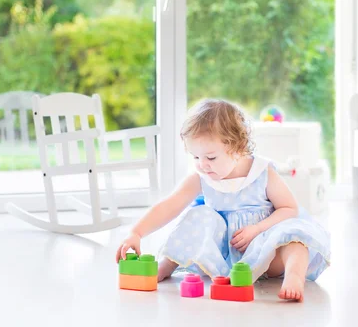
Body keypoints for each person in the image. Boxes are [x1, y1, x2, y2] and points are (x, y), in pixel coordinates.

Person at [115, 99, 330, 301]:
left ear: (237, 149)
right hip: (223, 259)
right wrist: (137, 232)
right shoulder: (201, 177)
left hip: (266, 249)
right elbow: (169, 205)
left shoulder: (261, 172)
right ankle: (168, 264)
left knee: (295, 238)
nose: (202, 165)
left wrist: (257, 229)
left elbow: (289, 208)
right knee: (197, 215)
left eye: (210, 157)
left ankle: (294, 276)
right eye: (195, 157)